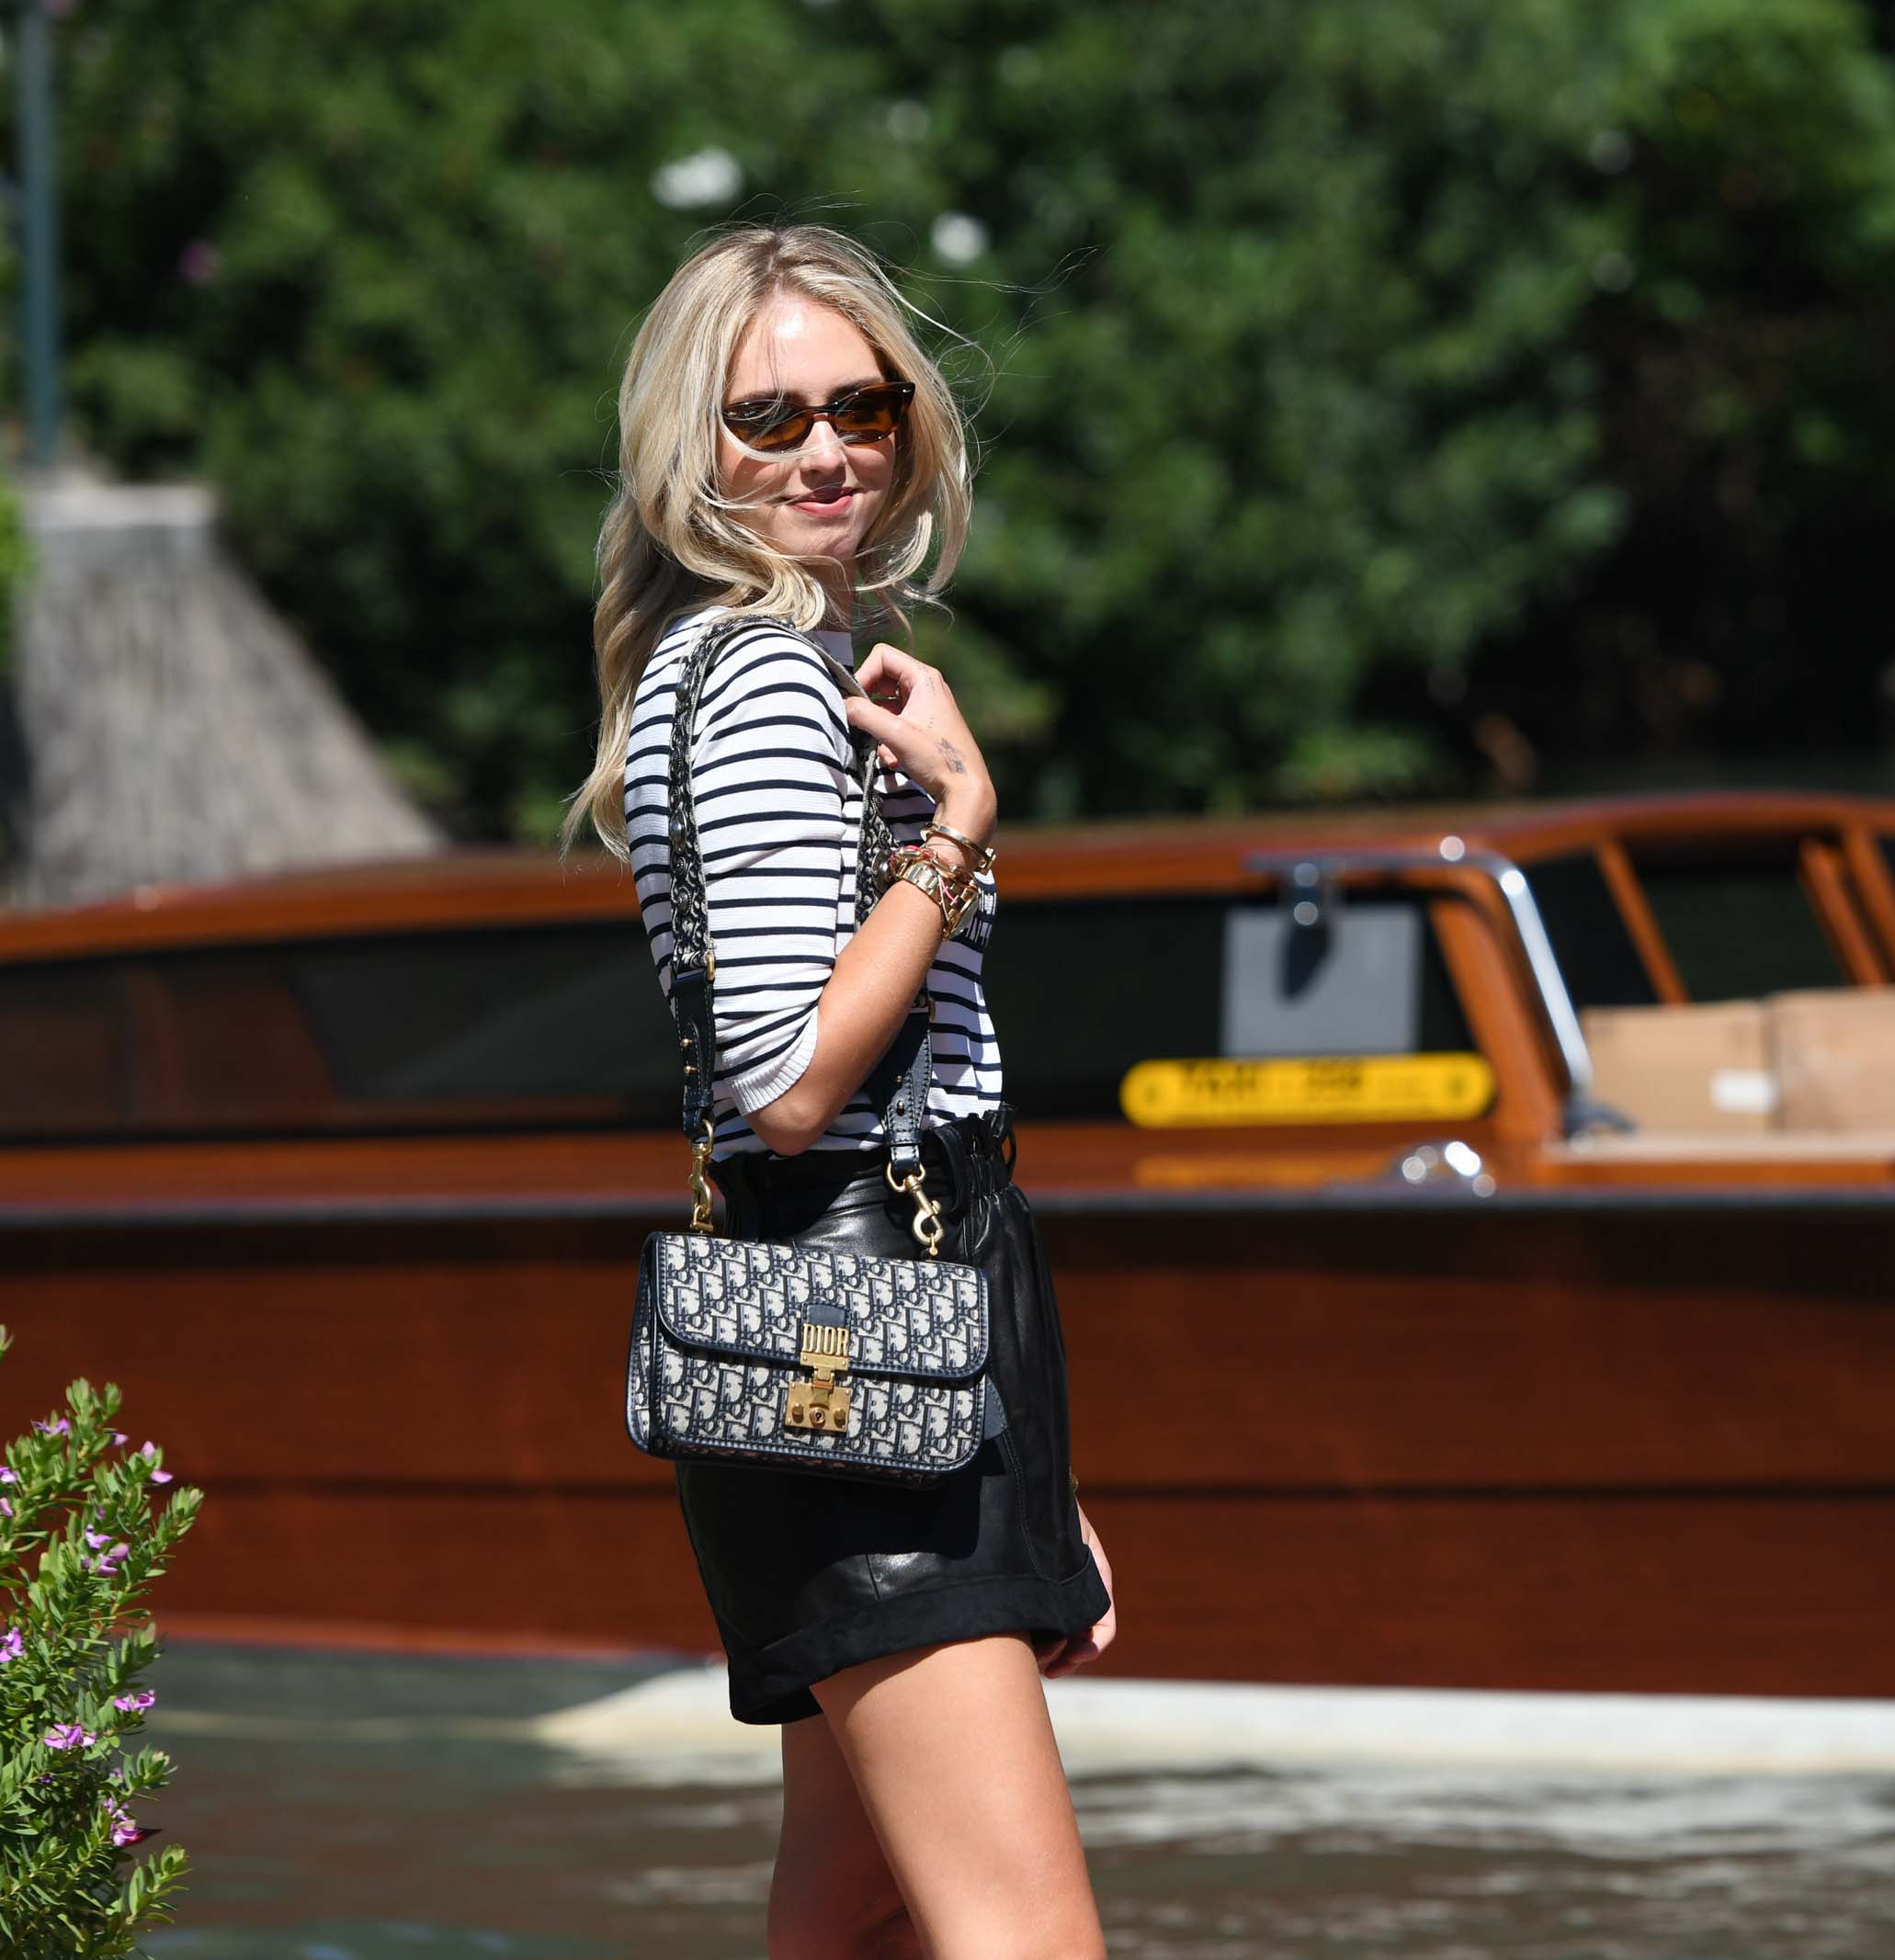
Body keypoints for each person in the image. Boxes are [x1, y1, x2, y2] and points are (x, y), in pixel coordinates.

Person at [571, 224, 1115, 1960]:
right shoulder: (753, 681)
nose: (823, 450)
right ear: (692, 446)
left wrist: (1026, 1459)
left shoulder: (768, 666)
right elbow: (794, 1080)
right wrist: (955, 823)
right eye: (766, 417)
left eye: (858, 406)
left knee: (852, 1922)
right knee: (1022, 1938)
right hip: (862, 1314)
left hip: (883, 1335)